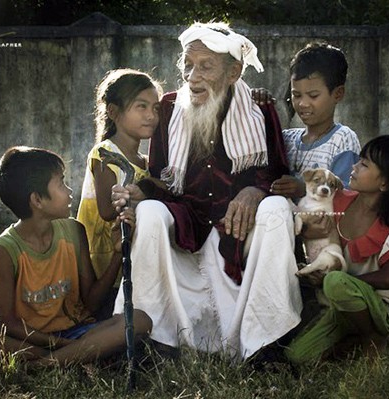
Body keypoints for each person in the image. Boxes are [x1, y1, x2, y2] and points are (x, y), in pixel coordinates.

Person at [111, 22, 303, 360]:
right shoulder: (170, 108)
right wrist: (142, 192)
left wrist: (256, 191)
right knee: (150, 213)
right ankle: (152, 338)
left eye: (205, 66)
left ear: (234, 72)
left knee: (277, 209)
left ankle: (265, 344)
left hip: (238, 233)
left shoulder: (259, 107)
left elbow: (276, 173)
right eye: (187, 64)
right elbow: (160, 177)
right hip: (188, 227)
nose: (191, 76)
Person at [0, 146, 152, 366]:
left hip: (79, 333)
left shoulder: (74, 231)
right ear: (37, 200)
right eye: (61, 183)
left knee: (140, 320)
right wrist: (59, 345)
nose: (69, 190)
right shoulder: (5, 249)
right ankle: (67, 359)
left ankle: (39, 365)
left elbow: (92, 302)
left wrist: (118, 253)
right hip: (30, 341)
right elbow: (6, 323)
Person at [284, 135, 389, 364]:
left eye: (364, 164)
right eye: (358, 160)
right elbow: (313, 227)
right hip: (340, 303)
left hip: (380, 307)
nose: (354, 166)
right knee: (298, 357)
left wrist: (334, 278)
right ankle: (357, 339)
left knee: (336, 283)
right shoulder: (339, 202)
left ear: (385, 183)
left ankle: (373, 337)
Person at [76, 69, 162, 319]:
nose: (150, 116)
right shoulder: (104, 153)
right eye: (141, 107)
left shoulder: (146, 163)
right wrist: (133, 197)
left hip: (132, 261)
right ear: (114, 112)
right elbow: (105, 210)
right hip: (103, 262)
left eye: (155, 108)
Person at [264, 41, 361, 199]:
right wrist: (256, 103)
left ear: (338, 94)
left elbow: (347, 198)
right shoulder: (286, 139)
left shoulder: (342, 140)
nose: (303, 103)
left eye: (313, 96)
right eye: (296, 95)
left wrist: (305, 190)